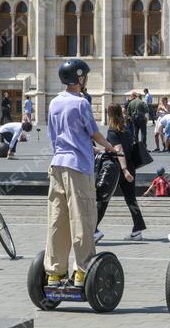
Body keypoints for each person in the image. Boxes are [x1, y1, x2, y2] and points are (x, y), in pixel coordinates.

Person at [44, 59, 117, 287]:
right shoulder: (81, 103)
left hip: (57, 165)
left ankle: (55, 272)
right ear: (79, 78)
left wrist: (85, 146)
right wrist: (109, 147)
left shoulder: (54, 103)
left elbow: (56, 136)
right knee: (82, 218)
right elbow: (94, 133)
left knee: (58, 218)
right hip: (78, 167)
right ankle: (82, 270)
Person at [95, 104, 147, 241]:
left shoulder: (112, 131)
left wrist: (124, 170)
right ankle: (138, 229)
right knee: (131, 199)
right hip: (130, 166)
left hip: (117, 169)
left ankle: (93, 229)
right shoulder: (126, 129)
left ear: (109, 114)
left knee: (103, 198)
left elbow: (119, 150)